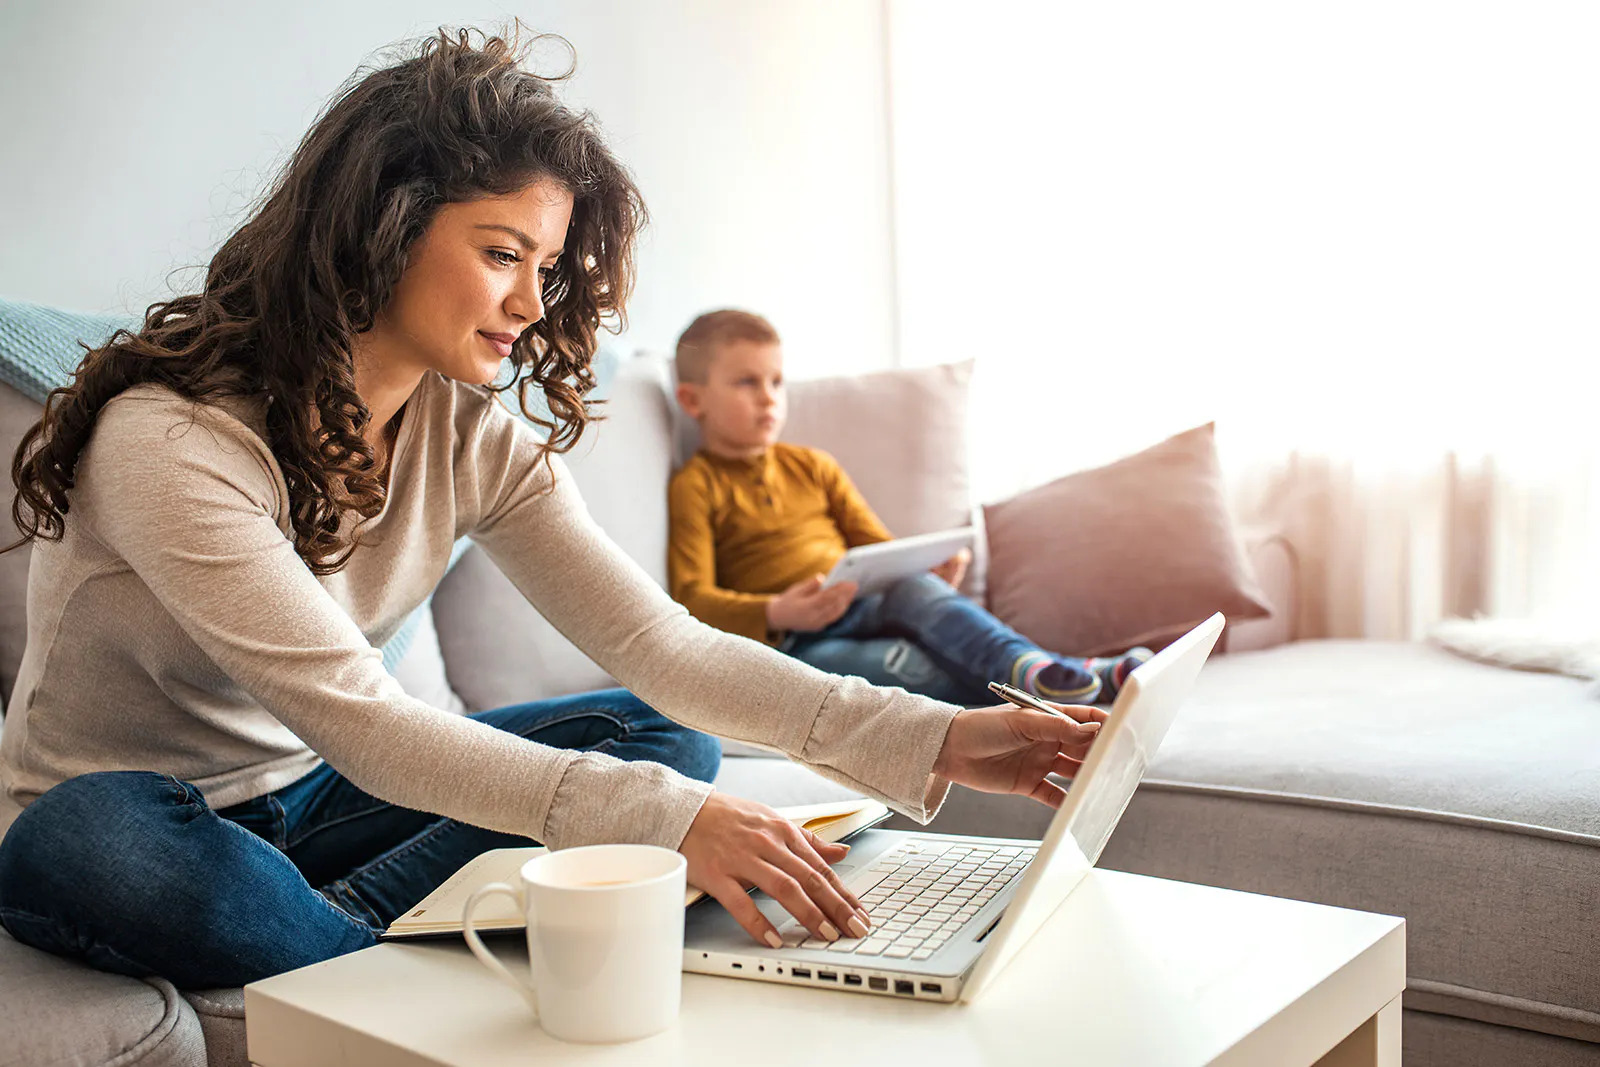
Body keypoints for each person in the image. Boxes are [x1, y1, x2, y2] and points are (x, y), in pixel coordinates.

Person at [0, 28, 1107, 991]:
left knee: (654, 735)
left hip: (314, 803)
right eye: (500, 254)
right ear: (381, 229)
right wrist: (664, 823)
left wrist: (945, 733)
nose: (533, 303)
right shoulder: (172, 439)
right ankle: (379, 948)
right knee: (105, 846)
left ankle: (350, 940)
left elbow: (659, 644)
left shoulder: (469, 435)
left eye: (546, 263)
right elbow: (363, 717)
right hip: (132, 816)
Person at [668, 309, 1152, 707]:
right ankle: (1068, 690)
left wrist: (927, 566)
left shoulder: (812, 466)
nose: (769, 398)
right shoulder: (695, 486)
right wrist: (778, 612)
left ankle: (1041, 670)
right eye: (747, 383)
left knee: (920, 592)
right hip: (799, 643)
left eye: (776, 381)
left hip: (869, 598)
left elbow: (877, 548)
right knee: (902, 664)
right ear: (693, 400)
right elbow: (690, 598)